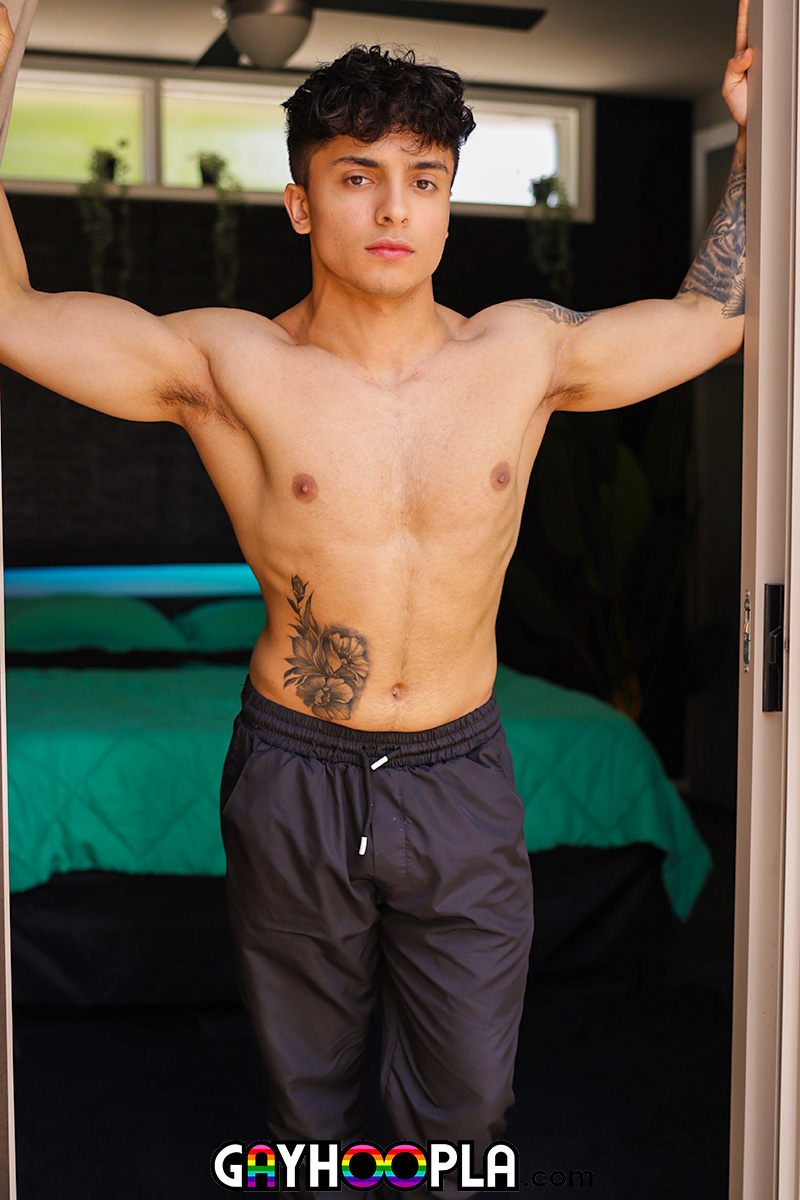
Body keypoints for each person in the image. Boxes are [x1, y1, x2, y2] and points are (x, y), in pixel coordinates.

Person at [0, 0, 751, 1191]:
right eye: (357, 177)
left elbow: (716, 316)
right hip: (295, 766)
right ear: (301, 203)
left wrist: (757, 135)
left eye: (423, 179)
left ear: (448, 201)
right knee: (305, 1102)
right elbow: (14, 315)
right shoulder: (229, 363)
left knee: (466, 1108)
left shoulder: (522, 354)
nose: (395, 208)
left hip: (460, 767)